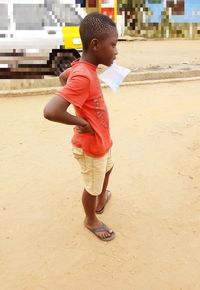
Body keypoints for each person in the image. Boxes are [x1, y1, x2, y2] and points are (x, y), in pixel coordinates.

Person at [43, 12, 118, 241]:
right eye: (113, 45)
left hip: (102, 138)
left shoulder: (82, 67)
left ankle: (101, 199)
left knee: (108, 167)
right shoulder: (84, 76)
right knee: (92, 187)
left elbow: (64, 77)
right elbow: (51, 111)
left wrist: (81, 106)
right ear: (95, 45)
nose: (116, 51)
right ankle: (91, 219)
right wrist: (81, 121)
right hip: (90, 144)